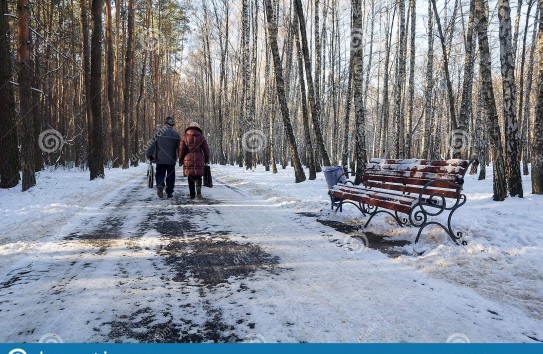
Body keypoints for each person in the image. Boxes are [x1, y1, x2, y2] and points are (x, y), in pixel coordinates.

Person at [146, 117, 181, 198]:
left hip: (160, 159)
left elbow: (151, 145)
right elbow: (180, 148)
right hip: (171, 160)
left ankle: (160, 185)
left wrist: (149, 155)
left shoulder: (158, 133)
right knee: (170, 176)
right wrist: (181, 158)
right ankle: (169, 192)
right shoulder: (176, 135)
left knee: (160, 173)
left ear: (165, 123)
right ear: (173, 124)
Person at [178, 122, 210, 199]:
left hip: (188, 158)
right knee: (198, 175)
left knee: (190, 177)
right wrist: (206, 159)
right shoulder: (201, 137)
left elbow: (181, 150)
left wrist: (181, 159)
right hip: (199, 157)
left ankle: (192, 194)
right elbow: (206, 149)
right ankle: (198, 191)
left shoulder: (185, 137)